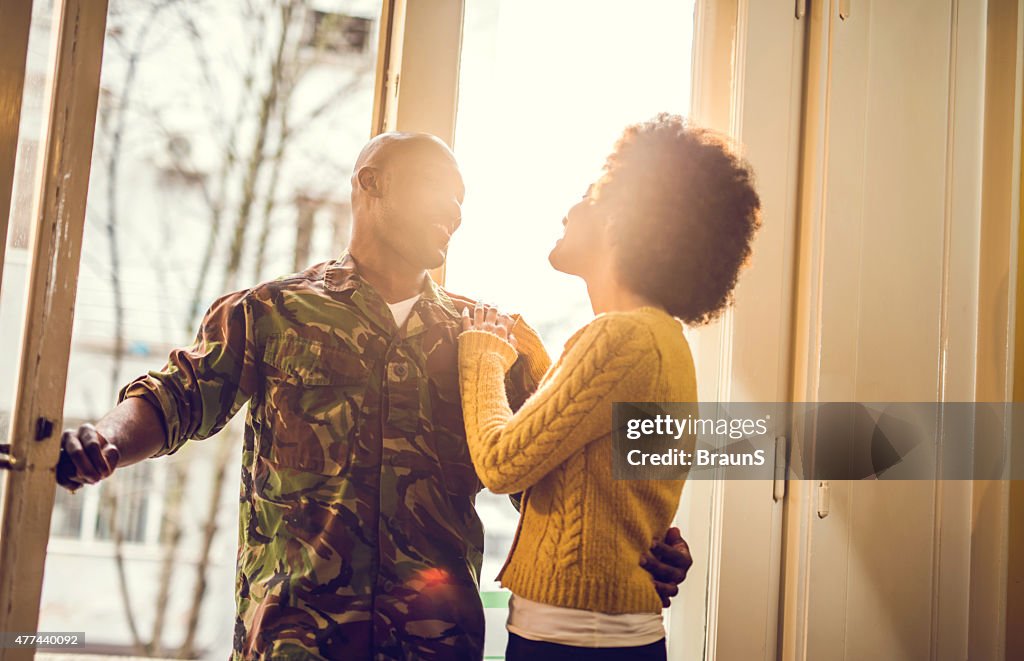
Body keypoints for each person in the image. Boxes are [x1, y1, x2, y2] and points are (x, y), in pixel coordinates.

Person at [56, 131, 694, 660]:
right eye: (438, 188)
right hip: (295, 640)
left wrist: (650, 537)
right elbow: (176, 396)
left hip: (436, 644)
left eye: (463, 199)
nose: (456, 210)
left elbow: (561, 475)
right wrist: (104, 439)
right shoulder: (272, 313)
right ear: (371, 182)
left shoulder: (489, 341)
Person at [458, 114, 761, 660]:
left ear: (623, 219)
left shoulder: (620, 337)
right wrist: (536, 363)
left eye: (590, 196)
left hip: (572, 644)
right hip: (598, 636)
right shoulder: (660, 341)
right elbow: (581, 486)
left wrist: (481, 353)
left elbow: (502, 465)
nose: (571, 210)